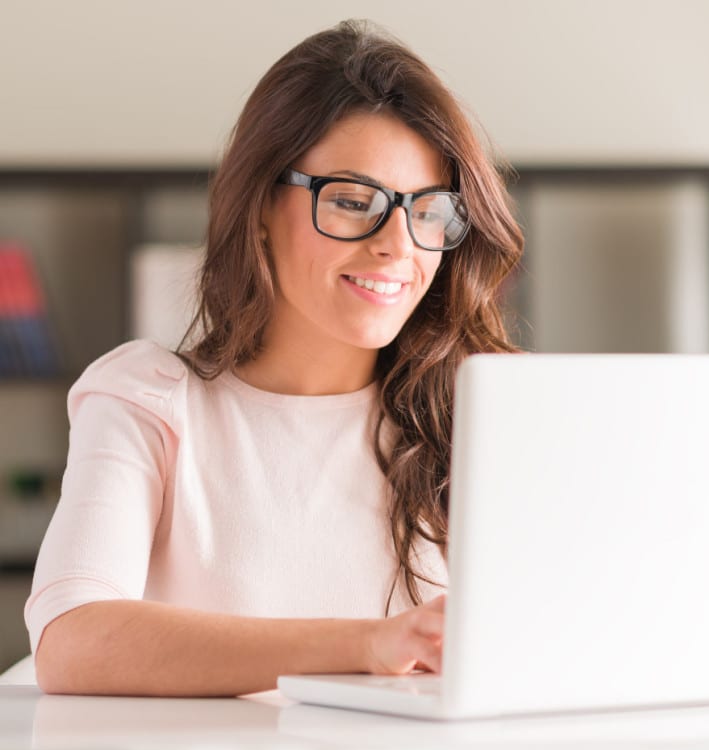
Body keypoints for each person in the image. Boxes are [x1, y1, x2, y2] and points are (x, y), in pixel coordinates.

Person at [24, 19, 523, 697]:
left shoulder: (485, 416)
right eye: (353, 201)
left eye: (430, 212)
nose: (398, 246)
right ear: (259, 204)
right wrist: (367, 644)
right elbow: (71, 639)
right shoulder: (148, 398)